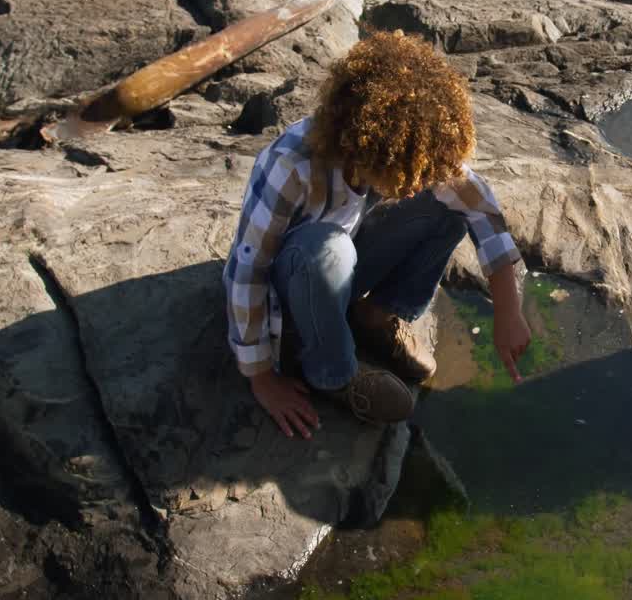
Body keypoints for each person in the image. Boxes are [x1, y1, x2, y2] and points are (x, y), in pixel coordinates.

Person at [224, 31, 531, 438]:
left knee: (446, 209)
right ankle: (331, 372)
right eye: (402, 176)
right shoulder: (292, 168)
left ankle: (375, 315)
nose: (409, 187)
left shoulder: (394, 149)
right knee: (326, 250)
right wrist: (262, 378)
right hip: (296, 288)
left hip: (345, 266)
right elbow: (248, 271)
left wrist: (507, 310)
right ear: (364, 148)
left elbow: (476, 201)